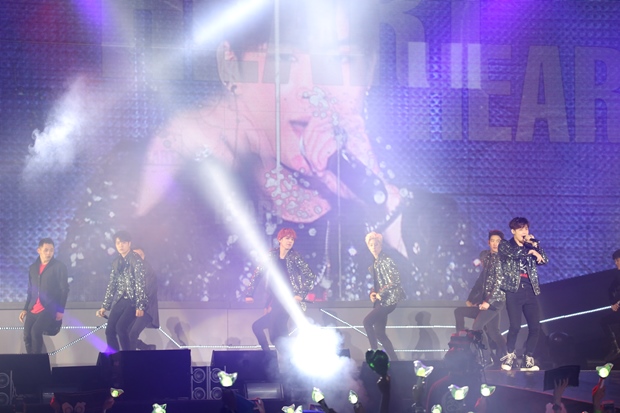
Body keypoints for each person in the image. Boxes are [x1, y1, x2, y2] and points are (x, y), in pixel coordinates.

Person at [245, 228, 316, 351]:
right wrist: (250, 293)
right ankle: (288, 358)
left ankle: (269, 356)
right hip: (277, 302)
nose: (290, 241)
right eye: (287, 238)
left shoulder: (295, 257)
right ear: (280, 239)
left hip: (289, 302)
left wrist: (301, 294)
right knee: (278, 336)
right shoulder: (271, 256)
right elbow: (258, 274)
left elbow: (310, 276)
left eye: (292, 239)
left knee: (259, 327)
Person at [498, 217, 548, 371]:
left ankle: (528, 358)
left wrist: (536, 246)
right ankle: (510, 355)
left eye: (526, 229)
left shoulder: (530, 246)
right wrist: (530, 250)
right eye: (520, 229)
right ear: (513, 231)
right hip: (514, 290)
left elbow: (544, 260)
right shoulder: (505, 245)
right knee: (515, 326)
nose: (524, 232)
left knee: (535, 327)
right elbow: (514, 254)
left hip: (530, 290)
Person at [96, 231, 147, 353]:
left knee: (121, 328)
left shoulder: (136, 260)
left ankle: (128, 357)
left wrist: (140, 305)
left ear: (129, 243)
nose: (121, 245)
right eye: (118, 243)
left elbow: (140, 283)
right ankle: (115, 357)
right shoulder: (116, 262)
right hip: (121, 299)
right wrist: (105, 306)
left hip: (133, 301)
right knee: (109, 330)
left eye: (123, 242)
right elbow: (112, 284)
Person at [19, 238, 70, 354]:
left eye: (51, 250)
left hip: (49, 307)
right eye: (46, 250)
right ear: (39, 250)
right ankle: (31, 361)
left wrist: (60, 310)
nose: (49, 253)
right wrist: (25, 308)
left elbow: (64, 290)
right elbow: (30, 290)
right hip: (33, 307)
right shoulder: (33, 268)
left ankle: (37, 362)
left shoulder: (59, 266)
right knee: (27, 335)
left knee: (35, 332)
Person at [363, 232, 406, 361]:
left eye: (376, 244)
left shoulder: (386, 260)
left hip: (388, 300)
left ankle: (374, 353)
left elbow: (395, 280)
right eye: (371, 245)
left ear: (381, 245)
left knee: (367, 322)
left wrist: (380, 294)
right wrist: (372, 293)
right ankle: (395, 360)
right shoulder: (375, 263)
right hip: (381, 300)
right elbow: (378, 283)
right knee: (380, 333)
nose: (373, 247)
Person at [471, 230, 508, 367]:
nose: (495, 244)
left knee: (477, 327)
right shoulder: (487, 257)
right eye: (492, 241)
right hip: (488, 299)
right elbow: (484, 278)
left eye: (498, 241)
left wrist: (488, 301)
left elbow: (499, 283)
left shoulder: (502, 260)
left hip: (496, 300)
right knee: (493, 332)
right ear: (488, 242)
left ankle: (487, 358)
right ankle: (508, 355)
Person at [128, 247, 159, 350]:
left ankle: (131, 358)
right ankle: (147, 348)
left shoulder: (147, 271)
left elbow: (148, 292)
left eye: (139, 255)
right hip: (135, 309)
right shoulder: (131, 272)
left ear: (143, 256)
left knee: (132, 334)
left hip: (146, 310)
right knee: (125, 334)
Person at [600, 249, 620, 361]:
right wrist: (613, 303)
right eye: (615, 261)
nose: (616, 263)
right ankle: (615, 348)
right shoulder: (618, 275)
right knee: (604, 321)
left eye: (618, 260)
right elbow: (610, 289)